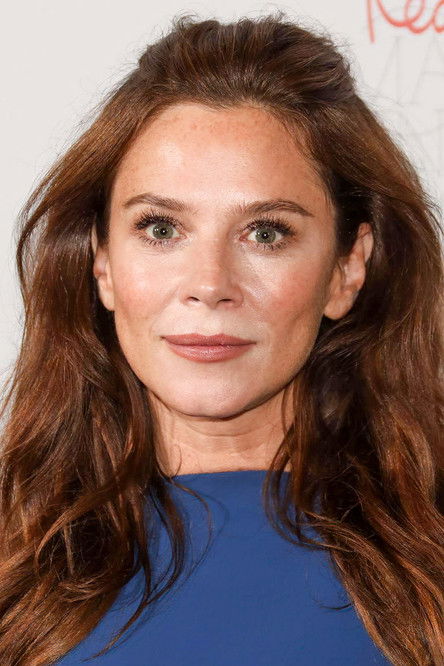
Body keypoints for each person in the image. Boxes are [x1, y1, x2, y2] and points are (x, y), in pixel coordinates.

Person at [0, 11, 443, 666]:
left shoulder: (430, 563)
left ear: (347, 270)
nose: (210, 285)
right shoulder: (14, 566)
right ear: (102, 262)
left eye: (266, 233)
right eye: (160, 228)